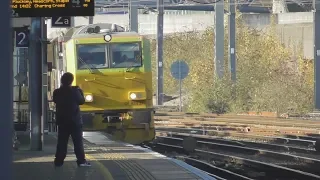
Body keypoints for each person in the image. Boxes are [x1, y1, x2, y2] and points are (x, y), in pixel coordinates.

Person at [53, 72, 91, 167]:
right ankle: (81, 161)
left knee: (62, 142)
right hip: (75, 122)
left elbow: (55, 100)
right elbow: (82, 101)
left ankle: (58, 161)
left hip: (62, 121)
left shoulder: (57, 92)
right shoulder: (75, 91)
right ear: (71, 81)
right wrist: (79, 90)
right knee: (78, 143)